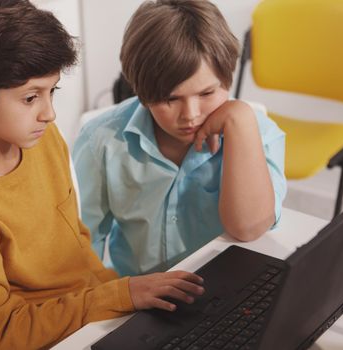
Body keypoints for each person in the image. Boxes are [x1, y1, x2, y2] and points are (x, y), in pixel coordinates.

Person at [0, 1, 205, 349]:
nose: (49, 114)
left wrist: (124, 298)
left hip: (88, 319)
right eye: (30, 98)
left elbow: (76, 246)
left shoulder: (41, 141)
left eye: (52, 91)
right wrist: (117, 297)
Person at [73, 0, 287, 277]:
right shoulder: (101, 140)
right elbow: (80, 246)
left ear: (227, 79)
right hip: (137, 297)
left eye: (207, 93)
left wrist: (240, 119)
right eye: (170, 98)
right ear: (141, 90)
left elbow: (248, 228)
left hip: (224, 291)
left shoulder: (257, 131)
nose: (190, 115)